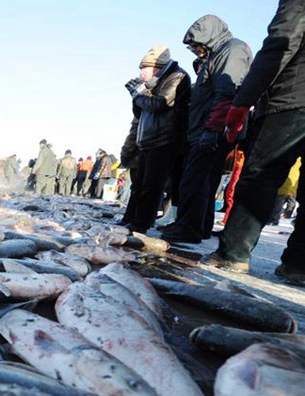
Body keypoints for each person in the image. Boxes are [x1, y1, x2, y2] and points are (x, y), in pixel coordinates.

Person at [204, 0, 305, 283]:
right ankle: (298, 264)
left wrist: (245, 98)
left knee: (262, 175)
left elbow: (281, 43)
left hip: (294, 99)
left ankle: (233, 254)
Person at [161, 14, 252, 244]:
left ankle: (189, 227)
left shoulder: (232, 50)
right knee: (204, 180)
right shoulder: (217, 54)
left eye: (195, 44)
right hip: (207, 128)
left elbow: (227, 92)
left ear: (208, 37)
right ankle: (198, 226)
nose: (192, 49)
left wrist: (212, 129)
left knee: (194, 179)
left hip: (214, 129)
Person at [119, 46, 191, 232]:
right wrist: (139, 94)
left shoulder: (177, 76)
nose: (141, 73)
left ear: (154, 67)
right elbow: (140, 112)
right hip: (148, 139)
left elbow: (161, 104)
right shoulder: (154, 83)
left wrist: (139, 93)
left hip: (165, 138)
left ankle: (141, 223)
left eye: (143, 69)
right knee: (139, 185)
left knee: (151, 185)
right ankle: (131, 218)